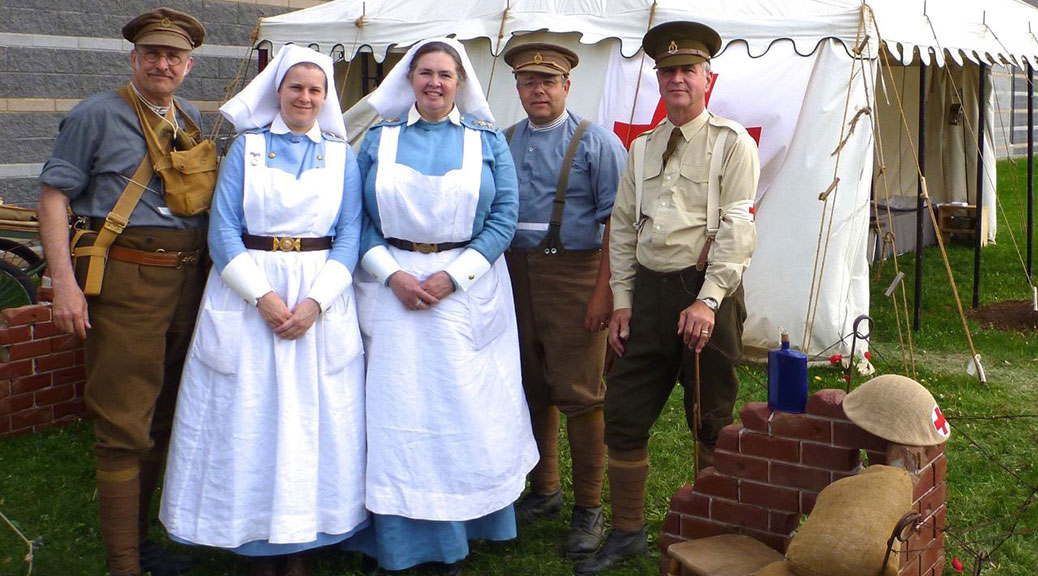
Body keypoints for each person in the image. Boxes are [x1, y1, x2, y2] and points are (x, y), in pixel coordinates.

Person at [157, 45, 367, 576]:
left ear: (327, 98)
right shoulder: (246, 149)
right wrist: (265, 299)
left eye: (316, 89)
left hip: (318, 296)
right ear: (278, 91)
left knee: (312, 421)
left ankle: (301, 541)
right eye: (295, 86)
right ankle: (248, 536)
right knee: (248, 417)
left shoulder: (344, 155)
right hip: (249, 295)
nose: (305, 97)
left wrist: (316, 302)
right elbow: (223, 231)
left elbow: (350, 235)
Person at [574, 21, 760, 574]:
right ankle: (628, 531)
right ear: (658, 80)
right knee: (624, 414)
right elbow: (625, 226)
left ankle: (711, 531)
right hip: (650, 296)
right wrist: (622, 300)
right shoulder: (643, 147)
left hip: (707, 294)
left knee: (711, 417)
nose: (677, 79)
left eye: (688, 70)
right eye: (668, 71)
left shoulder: (731, 144)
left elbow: (737, 228)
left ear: (709, 78)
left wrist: (708, 301)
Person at [348, 38, 537, 576]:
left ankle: (457, 534)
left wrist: (454, 277)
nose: (435, 83)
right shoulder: (378, 140)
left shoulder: (485, 141)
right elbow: (355, 219)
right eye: (425, 73)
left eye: (445, 75)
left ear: (461, 83)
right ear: (409, 80)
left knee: (459, 414)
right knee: (395, 413)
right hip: (391, 289)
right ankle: (393, 541)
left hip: (466, 292)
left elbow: (504, 216)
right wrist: (394, 275)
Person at [36, 8, 210, 576]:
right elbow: (55, 195)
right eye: (153, 54)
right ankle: (124, 565)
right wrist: (63, 283)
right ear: (134, 59)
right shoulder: (97, 114)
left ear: (187, 66)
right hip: (126, 281)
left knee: (161, 416)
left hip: (185, 282)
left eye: (174, 56)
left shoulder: (189, 119)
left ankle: (141, 544)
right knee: (122, 423)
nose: (164, 63)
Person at [500, 43, 626, 558]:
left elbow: (618, 226)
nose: (538, 90)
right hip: (513, 272)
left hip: (575, 273)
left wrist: (604, 292)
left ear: (567, 86)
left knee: (580, 392)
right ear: (518, 88)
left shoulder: (597, 142)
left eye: (548, 82)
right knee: (531, 383)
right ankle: (545, 489)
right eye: (529, 82)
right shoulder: (504, 140)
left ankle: (589, 508)